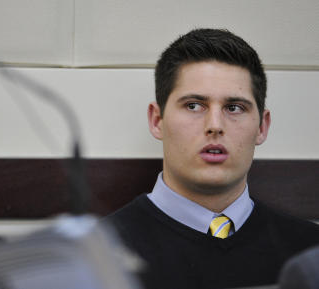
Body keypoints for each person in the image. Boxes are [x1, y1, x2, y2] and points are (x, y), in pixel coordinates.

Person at [105, 28, 319, 289]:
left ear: (262, 127)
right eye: (194, 105)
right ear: (157, 120)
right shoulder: (96, 258)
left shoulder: (310, 255)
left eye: (234, 107)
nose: (215, 125)